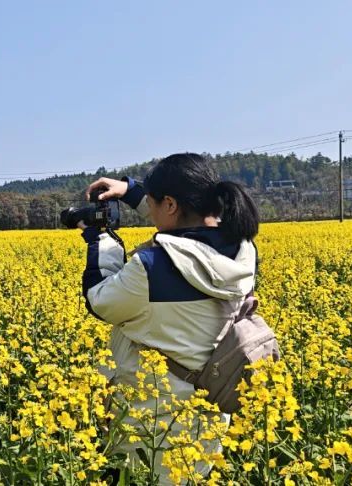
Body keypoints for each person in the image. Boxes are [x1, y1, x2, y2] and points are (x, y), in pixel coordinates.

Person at [80, 153, 260, 484]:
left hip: (150, 424)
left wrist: (101, 240)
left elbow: (100, 301)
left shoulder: (152, 267)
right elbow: (187, 225)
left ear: (171, 204)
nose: (150, 212)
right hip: (206, 415)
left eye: (152, 203)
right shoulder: (243, 251)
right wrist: (131, 191)